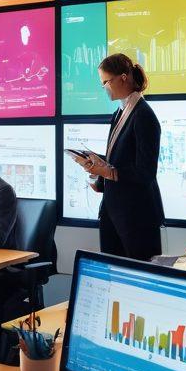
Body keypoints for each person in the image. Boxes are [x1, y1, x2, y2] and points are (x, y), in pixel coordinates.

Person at [75, 53, 163, 260]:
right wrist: (97, 164)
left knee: (139, 280)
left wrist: (107, 171)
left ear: (123, 78)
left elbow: (145, 172)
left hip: (136, 215)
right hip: (114, 211)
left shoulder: (144, 116)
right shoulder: (120, 112)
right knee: (112, 274)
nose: (104, 87)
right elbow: (120, 158)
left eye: (106, 81)